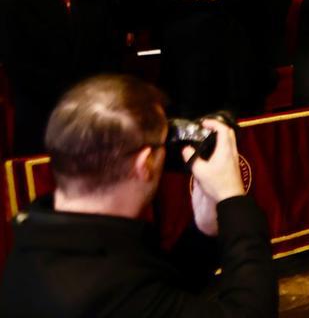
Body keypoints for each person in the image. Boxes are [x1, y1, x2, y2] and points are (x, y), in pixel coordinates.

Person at [0, 74, 276, 317]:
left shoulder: (42, 232)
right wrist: (232, 198)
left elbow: (160, 294)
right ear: (143, 164)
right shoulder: (102, 289)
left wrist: (203, 232)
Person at [0, 0, 122, 155]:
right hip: (46, 117)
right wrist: (73, 96)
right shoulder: (16, 6)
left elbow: (110, 48)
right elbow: (19, 67)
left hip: (95, 112)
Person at [158, 0, 255, 118]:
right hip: (216, 107)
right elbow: (239, 69)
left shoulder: (170, 18)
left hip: (180, 104)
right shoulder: (222, 22)